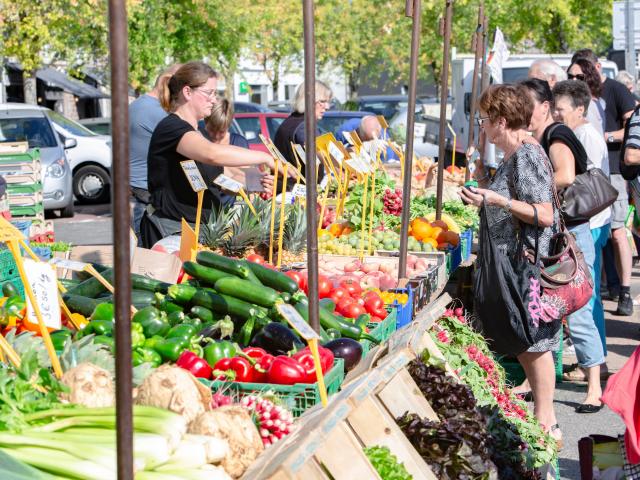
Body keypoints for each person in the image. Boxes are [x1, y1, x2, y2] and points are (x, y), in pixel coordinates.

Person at [459, 84, 561, 444]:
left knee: (533, 343)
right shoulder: (512, 154)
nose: (483, 126)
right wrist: (482, 184)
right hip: (516, 260)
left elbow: (545, 215)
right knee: (526, 342)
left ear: (502, 120)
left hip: (528, 264)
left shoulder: (527, 155)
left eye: (485, 119)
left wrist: (497, 200)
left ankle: (546, 422)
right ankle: (544, 422)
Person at [140, 61, 284, 247]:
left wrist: (255, 182)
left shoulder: (194, 132)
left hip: (198, 231)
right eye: (209, 93)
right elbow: (212, 154)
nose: (214, 100)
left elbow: (220, 174)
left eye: (215, 93)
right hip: (173, 234)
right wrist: (266, 158)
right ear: (187, 92)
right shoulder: (172, 128)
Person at [552, 79, 611, 411]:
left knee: (580, 309)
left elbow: (570, 178)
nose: (558, 114)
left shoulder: (582, 136)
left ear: (579, 109)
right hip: (576, 228)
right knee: (571, 308)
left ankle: (594, 385)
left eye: (561, 109)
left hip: (581, 228)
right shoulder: (574, 133)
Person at [572, 49, 637, 316]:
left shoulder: (616, 90)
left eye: (579, 74)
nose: (574, 78)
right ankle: (600, 287)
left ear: (593, 71)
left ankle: (624, 291)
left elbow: (632, 124)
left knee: (617, 232)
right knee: (593, 235)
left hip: (613, 172)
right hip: (585, 176)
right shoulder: (573, 101)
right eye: (570, 74)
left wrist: (606, 136)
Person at [129, 64, 182, 244]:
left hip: (138, 192)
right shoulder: (156, 112)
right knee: (149, 258)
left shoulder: (140, 105)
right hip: (145, 196)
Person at [273, 80, 331, 189]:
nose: (327, 106)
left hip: (287, 189)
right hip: (299, 193)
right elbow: (322, 155)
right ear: (308, 101)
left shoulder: (290, 121)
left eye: (328, 102)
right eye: (322, 101)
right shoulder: (305, 127)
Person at [201, 99, 250, 207]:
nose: (217, 136)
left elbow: (247, 178)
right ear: (205, 121)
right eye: (212, 130)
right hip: (201, 208)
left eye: (222, 131)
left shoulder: (239, 143)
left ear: (229, 125)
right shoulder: (199, 140)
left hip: (227, 210)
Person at [567, 58, 606, 135]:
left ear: (590, 78)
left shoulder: (589, 106)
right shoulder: (584, 102)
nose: (574, 80)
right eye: (570, 76)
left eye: (579, 77)